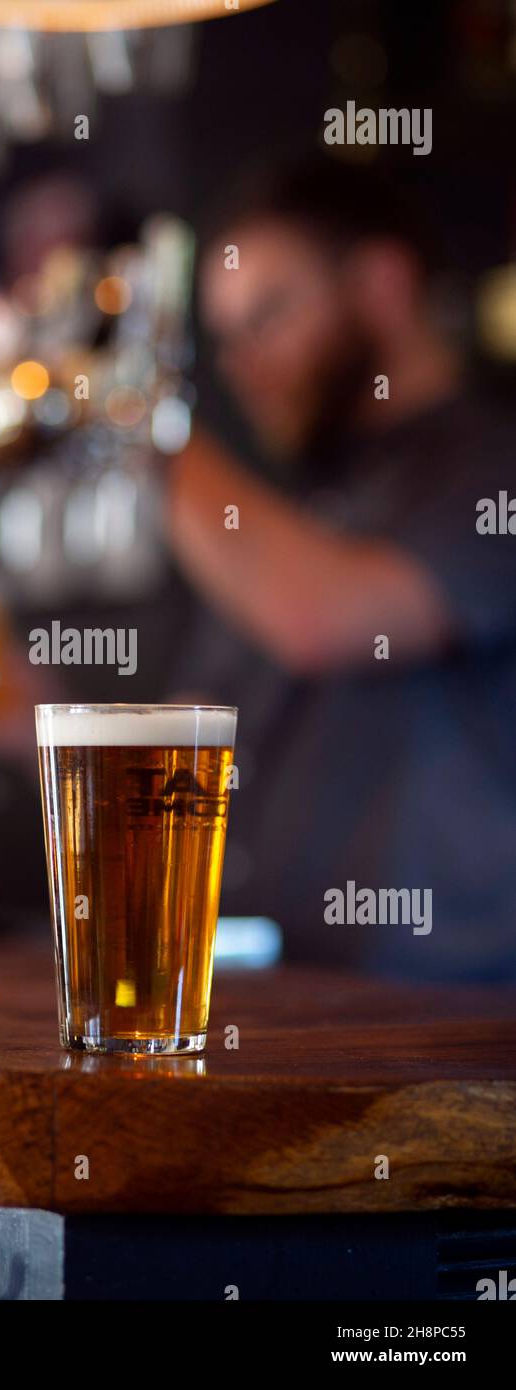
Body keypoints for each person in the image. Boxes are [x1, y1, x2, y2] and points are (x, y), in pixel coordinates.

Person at [167, 153, 516, 983]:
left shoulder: (493, 465)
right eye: (226, 338)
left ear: (382, 284)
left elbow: (329, 619)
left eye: (271, 314)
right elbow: (194, 723)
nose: (246, 361)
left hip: (461, 1032)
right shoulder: (305, 504)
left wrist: (139, 428)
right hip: (297, 1003)